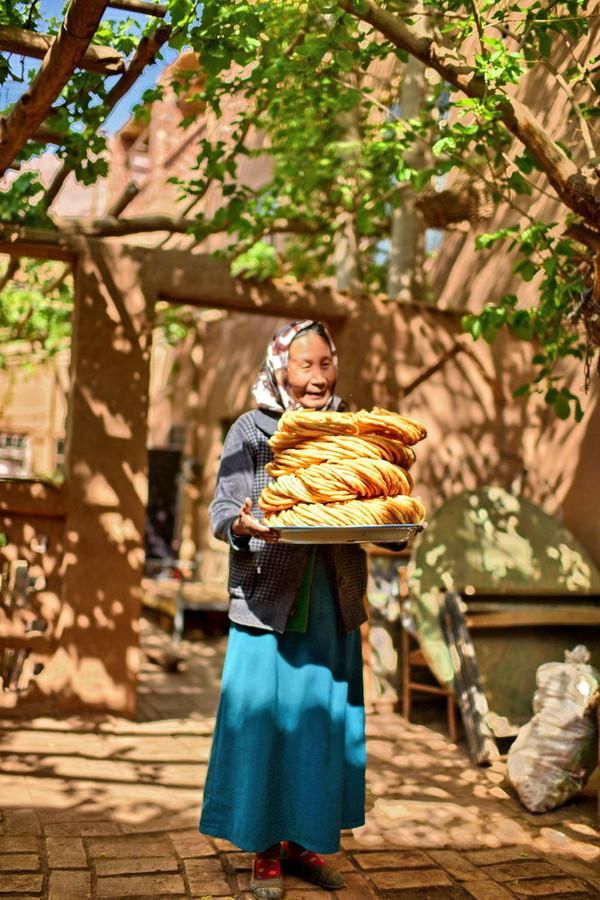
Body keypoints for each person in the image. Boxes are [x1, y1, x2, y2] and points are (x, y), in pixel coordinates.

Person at [199, 320, 369, 899]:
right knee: (263, 727)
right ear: (280, 368)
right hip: (268, 603)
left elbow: (376, 503)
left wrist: (393, 528)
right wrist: (243, 524)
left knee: (318, 729)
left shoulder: (353, 427)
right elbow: (223, 508)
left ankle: (303, 840)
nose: (317, 377)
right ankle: (264, 850)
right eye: (305, 365)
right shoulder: (253, 429)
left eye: (326, 363)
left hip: (331, 604)